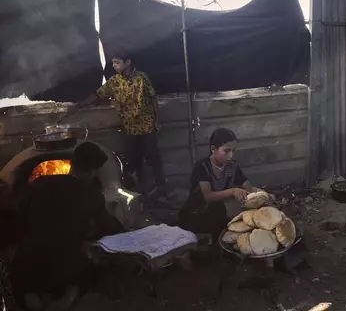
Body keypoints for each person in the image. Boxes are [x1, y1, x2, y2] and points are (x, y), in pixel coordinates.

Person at [10, 142, 124, 311]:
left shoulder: (40, 183)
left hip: (31, 258)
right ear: (92, 172)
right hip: (66, 261)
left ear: (71, 164)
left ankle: (31, 296)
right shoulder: (92, 194)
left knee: (27, 260)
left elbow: (19, 215)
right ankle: (68, 297)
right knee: (92, 263)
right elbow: (107, 226)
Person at [76, 54, 166, 196]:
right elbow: (98, 95)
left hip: (147, 125)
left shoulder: (142, 78)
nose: (114, 66)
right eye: (113, 63)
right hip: (129, 127)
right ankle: (138, 190)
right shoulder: (114, 82)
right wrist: (79, 105)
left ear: (128, 62)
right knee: (133, 158)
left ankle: (162, 189)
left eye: (117, 63)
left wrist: (158, 120)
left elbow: (153, 97)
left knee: (153, 157)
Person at [178, 128, 264, 239]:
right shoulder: (202, 166)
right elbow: (208, 196)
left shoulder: (232, 166)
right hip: (196, 215)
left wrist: (260, 194)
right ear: (213, 149)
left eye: (234, 150)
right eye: (227, 151)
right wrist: (233, 191)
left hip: (217, 212)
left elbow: (247, 187)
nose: (231, 155)